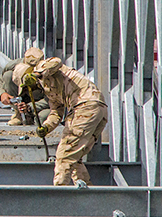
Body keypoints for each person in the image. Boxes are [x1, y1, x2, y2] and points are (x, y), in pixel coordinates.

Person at [33, 56, 108, 185]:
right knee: (74, 156)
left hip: (85, 106)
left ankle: (61, 194)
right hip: (96, 109)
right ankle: (86, 193)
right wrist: (46, 127)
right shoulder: (50, 91)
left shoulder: (52, 71)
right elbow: (56, 113)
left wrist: (39, 74)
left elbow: (56, 62)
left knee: (64, 155)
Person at [0, 47, 50, 126]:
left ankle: (31, 115)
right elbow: (1, 79)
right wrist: (2, 93)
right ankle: (19, 114)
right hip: (22, 96)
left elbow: (51, 100)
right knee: (8, 75)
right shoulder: (13, 65)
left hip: (40, 101)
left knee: (42, 118)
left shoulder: (49, 72)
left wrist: (30, 107)